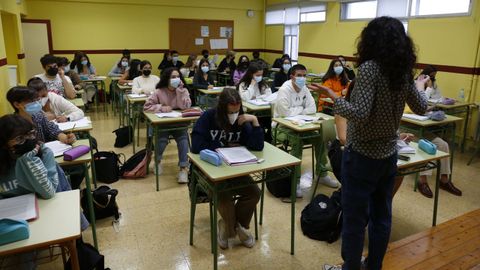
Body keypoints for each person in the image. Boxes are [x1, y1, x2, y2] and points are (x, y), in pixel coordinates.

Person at [308, 17, 429, 270]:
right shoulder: (402, 72)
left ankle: (350, 267)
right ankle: (373, 266)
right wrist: (417, 85)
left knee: (354, 219)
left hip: (362, 155)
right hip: (388, 155)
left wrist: (333, 98)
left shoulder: (371, 69)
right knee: (381, 217)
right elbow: (422, 107)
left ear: (371, 40)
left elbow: (360, 113)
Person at [191, 87, 263, 249]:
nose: (234, 116)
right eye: (231, 112)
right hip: (211, 171)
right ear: (222, 108)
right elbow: (196, 146)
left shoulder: (242, 118)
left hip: (235, 168)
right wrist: (222, 145)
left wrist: (255, 122)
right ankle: (238, 229)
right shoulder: (209, 117)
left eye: (236, 111)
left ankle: (226, 225)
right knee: (224, 197)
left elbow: (257, 146)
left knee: (254, 193)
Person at [275, 64, 339, 197]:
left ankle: (322, 173)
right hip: (282, 127)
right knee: (297, 142)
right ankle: (296, 181)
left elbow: (312, 109)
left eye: (304, 76)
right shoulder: (284, 89)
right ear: (292, 76)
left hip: (302, 125)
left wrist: (297, 111)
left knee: (319, 138)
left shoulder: (304, 88)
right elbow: (285, 113)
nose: (302, 78)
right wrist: (301, 110)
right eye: (299, 75)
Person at [143, 67, 191, 182]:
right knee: (162, 140)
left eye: (178, 77)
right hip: (163, 123)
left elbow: (186, 106)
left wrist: (180, 91)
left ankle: (183, 169)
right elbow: (146, 107)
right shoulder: (159, 91)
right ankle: (157, 161)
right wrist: (162, 108)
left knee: (183, 139)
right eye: (173, 77)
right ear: (167, 79)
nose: (176, 79)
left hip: (178, 123)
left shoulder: (183, 90)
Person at [6, 86, 76, 145]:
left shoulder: (38, 116)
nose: (36, 103)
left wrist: (64, 137)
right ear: (17, 105)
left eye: (36, 100)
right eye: (31, 101)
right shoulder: (14, 125)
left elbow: (52, 129)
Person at [238, 63, 273, 142]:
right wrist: (252, 85)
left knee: (270, 120)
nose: (259, 77)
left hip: (262, 110)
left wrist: (256, 97)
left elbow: (269, 95)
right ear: (251, 74)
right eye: (257, 75)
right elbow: (245, 98)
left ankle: (268, 139)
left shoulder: (262, 83)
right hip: (249, 111)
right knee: (259, 122)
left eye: (261, 75)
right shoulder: (243, 84)